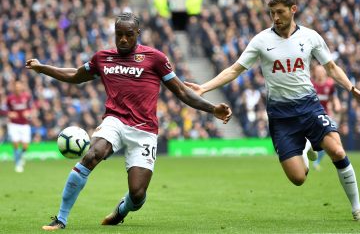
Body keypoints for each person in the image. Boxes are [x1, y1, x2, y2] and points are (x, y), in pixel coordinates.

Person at [25, 12, 232, 230]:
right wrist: (42, 68)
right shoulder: (103, 58)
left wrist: (212, 108)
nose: (123, 39)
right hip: (114, 120)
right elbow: (76, 75)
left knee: (138, 193)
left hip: (144, 130)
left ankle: (122, 210)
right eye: (119, 34)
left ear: (138, 34)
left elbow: (181, 91)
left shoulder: (155, 58)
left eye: (129, 35)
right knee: (92, 155)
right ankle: (61, 218)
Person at [185, 0, 360, 222]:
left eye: (280, 12)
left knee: (337, 150)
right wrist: (204, 88)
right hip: (280, 115)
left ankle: (357, 210)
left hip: (309, 106)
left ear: (293, 10)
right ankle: (305, 147)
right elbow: (234, 69)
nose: (276, 17)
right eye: (272, 12)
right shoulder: (261, 41)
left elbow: (331, 68)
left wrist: (351, 89)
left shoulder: (311, 37)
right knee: (298, 178)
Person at [306, 65, 342, 171]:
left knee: (330, 138)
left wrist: (337, 104)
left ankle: (316, 161)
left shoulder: (330, 84)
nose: (320, 73)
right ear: (314, 72)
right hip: (310, 115)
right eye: (318, 71)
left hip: (324, 116)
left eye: (322, 71)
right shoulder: (310, 84)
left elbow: (333, 97)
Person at [6, 80, 32, 173]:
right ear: (14, 87)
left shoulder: (27, 97)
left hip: (25, 124)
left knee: (25, 146)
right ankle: (18, 164)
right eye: (16, 86)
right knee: (16, 144)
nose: (17, 88)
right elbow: (6, 110)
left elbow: (30, 108)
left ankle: (21, 158)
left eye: (19, 86)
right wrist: (9, 113)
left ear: (21, 87)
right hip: (14, 124)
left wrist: (28, 113)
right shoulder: (10, 98)